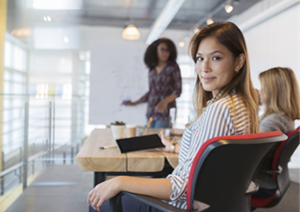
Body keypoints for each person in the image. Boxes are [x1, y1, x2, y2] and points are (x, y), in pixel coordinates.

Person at [88, 22, 259, 212]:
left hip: (182, 205)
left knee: (99, 203)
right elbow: (210, 160)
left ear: (238, 62)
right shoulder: (242, 105)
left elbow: (183, 187)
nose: (204, 68)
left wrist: (120, 181)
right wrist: (177, 146)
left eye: (216, 58)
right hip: (215, 202)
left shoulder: (220, 109)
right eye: (200, 58)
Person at [254, 67, 300, 197]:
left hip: (260, 182)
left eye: (262, 87)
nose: (259, 92)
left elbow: (249, 158)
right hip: (269, 179)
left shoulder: (272, 122)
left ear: (272, 92)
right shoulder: (284, 118)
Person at [123, 38, 182, 128]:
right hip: (151, 111)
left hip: (165, 112)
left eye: (167, 50)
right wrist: (134, 103)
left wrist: (165, 102)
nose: (165, 53)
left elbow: (178, 90)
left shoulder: (173, 67)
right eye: (162, 49)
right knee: (148, 138)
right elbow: (151, 92)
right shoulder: (152, 69)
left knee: (159, 139)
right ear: (155, 50)